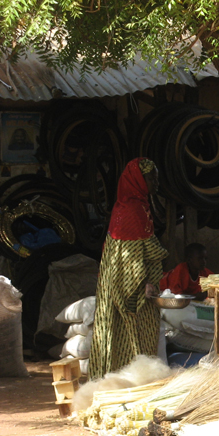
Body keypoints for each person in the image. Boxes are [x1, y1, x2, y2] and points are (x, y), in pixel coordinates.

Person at [89, 158, 167, 379]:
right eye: (151, 178)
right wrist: (144, 284)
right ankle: (129, 382)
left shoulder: (134, 206)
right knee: (132, 333)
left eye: (156, 177)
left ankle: (121, 380)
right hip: (130, 289)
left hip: (126, 283)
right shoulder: (133, 211)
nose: (156, 182)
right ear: (138, 181)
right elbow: (130, 258)